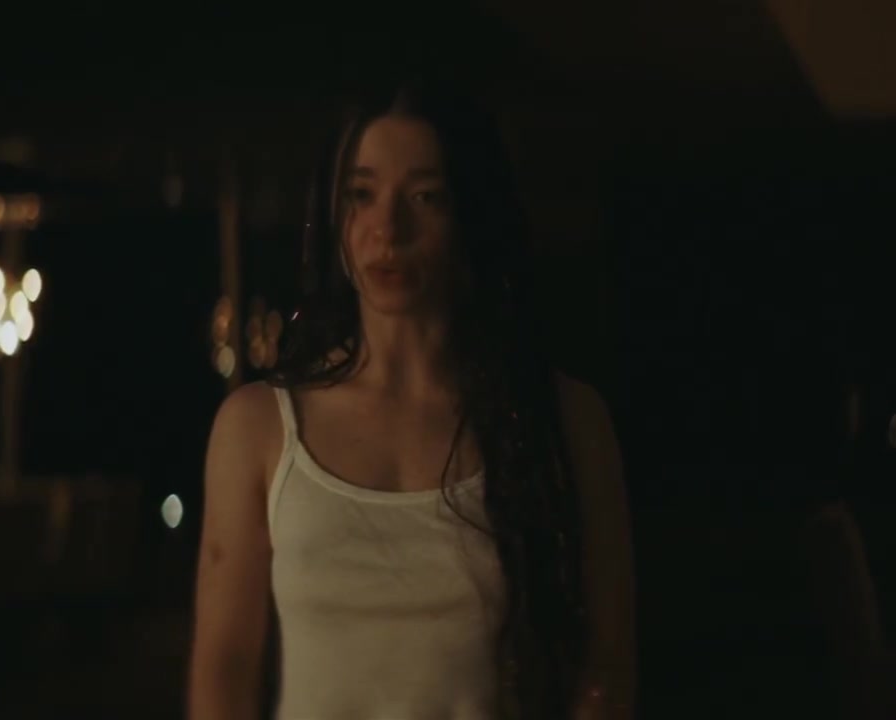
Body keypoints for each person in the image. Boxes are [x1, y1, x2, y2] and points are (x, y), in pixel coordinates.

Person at [187, 82, 636, 720]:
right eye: (361, 195)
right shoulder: (259, 427)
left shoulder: (562, 420)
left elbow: (607, 671)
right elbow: (224, 671)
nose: (388, 230)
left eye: (426, 197)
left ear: (470, 214)